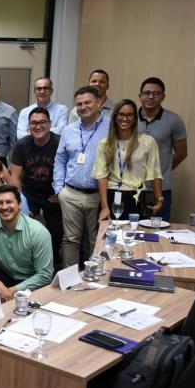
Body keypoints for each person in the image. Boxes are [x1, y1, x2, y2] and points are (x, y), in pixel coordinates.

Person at [53, 85, 110, 267]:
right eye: (79, 104)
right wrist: (59, 189)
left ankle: (97, 281)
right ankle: (69, 282)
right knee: (70, 240)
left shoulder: (111, 127)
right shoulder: (69, 130)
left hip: (98, 196)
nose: (83, 107)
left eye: (87, 102)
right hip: (71, 194)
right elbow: (60, 159)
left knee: (96, 241)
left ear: (99, 102)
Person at [0, 184, 53, 301]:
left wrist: (13, 290)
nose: (4, 207)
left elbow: (45, 275)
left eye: (9, 202)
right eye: (0, 203)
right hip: (4, 276)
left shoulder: (38, 231)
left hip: (31, 281)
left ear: (19, 204)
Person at [95, 99, 163, 220]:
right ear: (115, 117)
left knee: (135, 237)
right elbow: (102, 177)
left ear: (135, 118)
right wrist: (105, 207)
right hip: (111, 196)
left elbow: (155, 173)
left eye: (129, 115)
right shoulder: (104, 144)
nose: (125, 118)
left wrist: (159, 200)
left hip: (136, 198)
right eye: (121, 114)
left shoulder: (148, 142)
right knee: (109, 237)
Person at [10, 107, 62, 263]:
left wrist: (61, 194)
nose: (38, 126)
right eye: (34, 123)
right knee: (24, 229)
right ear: (28, 125)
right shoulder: (22, 144)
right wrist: (22, 201)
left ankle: (51, 263)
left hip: (53, 195)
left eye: (42, 122)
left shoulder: (59, 142)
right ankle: (27, 261)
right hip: (28, 193)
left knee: (56, 232)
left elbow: (68, 170)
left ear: (50, 124)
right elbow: (15, 177)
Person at [136, 77, 188, 221]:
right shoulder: (129, 118)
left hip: (160, 189)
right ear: (140, 96)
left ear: (163, 97)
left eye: (156, 93)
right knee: (130, 231)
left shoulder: (174, 121)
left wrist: (161, 170)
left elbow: (181, 153)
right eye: (147, 93)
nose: (151, 97)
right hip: (132, 188)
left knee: (158, 233)